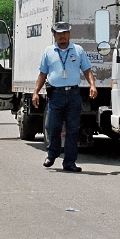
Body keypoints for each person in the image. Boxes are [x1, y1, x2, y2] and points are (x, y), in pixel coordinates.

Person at [32, 22, 97, 172]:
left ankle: (69, 162)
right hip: (56, 95)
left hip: (73, 94)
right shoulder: (49, 51)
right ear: (54, 35)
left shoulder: (78, 50)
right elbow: (42, 74)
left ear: (69, 34)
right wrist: (36, 92)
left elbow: (87, 70)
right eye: (59, 33)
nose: (62, 36)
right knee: (52, 126)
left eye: (65, 33)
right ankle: (52, 153)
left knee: (72, 129)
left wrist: (92, 85)